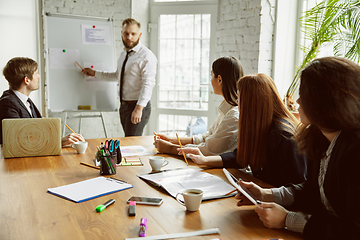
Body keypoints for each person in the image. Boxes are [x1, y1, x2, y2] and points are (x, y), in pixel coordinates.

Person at [236, 57, 360, 239]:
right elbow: (311, 191)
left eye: (304, 94)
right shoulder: (319, 138)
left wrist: (288, 219)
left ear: (328, 100)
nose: (299, 101)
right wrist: (267, 194)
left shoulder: (355, 150)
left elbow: (354, 230)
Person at [179, 73, 307, 187]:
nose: (237, 101)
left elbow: (296, 187)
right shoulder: (262, 126)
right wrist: (205, 160)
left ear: (251, 103)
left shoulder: (283, 136)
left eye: (239, 97)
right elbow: (240, 156)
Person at [153, 56, 243, 156]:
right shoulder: (226, 109)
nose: (210, 80)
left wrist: (170, 148)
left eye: (211, 75)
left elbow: (208, 150)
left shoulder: (233, 115)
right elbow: (206, 138)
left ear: (220, 80)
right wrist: (171, 139)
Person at [82, 18, 157, 137]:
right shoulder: (123, 55)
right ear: (122, 33)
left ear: (140, 35)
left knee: (133, 143)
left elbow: (148, 84)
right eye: (126, 33)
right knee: (129, 141)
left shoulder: (146, 56)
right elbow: (117, 76)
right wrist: (94, 73)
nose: (129, 37)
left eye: (133, 34)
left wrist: (139, 108)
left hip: (138, 106)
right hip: (124, 106)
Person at [0, 57, 84, 146]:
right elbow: (19, 140)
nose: (39, 76)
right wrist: (59, 141)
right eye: (36, 73)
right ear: (27, 80)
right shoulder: (8, 103)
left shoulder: (25, 101)